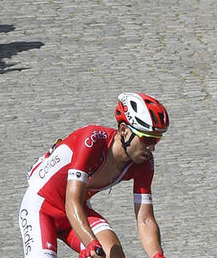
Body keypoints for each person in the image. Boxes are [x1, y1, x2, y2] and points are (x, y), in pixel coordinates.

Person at [19, 93, 171, 258]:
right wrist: (91, 244)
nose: (151, 148)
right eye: (146, 139)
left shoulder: (143, 163)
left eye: (156, 140)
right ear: (124, 130)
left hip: (78, 211)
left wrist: (157, 255)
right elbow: (72, 201)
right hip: (41, 208)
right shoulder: (92, 140)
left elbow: (145, 219)